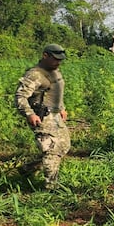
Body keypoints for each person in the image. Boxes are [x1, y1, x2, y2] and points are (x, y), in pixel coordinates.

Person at [14, 44, 71, 190]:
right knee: (52, 150)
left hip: (56, 115)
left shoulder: (54, 72)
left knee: (64, 146)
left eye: (60, 60)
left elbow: (55, 92)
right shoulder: (35, 74)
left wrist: (62, 108)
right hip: (42, 117)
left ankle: (27, 169)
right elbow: (20, 96)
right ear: (45, 56)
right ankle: (51, 188)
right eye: (55, 59)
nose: (58, 62)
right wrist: (29, 114)